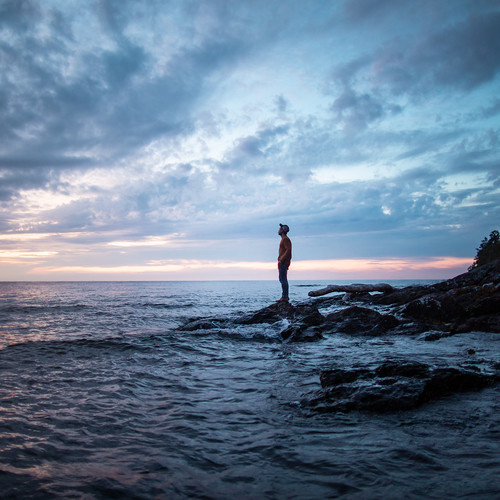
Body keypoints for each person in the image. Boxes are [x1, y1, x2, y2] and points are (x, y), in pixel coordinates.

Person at [277, 223, 292, 302]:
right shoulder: (283, 239)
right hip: (282, 261)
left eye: (280, 229)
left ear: (283, 231)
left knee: (283, 279)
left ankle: (285, 296)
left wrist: (282, 260)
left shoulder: (286, 239)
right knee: (282, 279)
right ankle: (284, 296)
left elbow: (288, 250)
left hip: (283, 262)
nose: (278, 230)